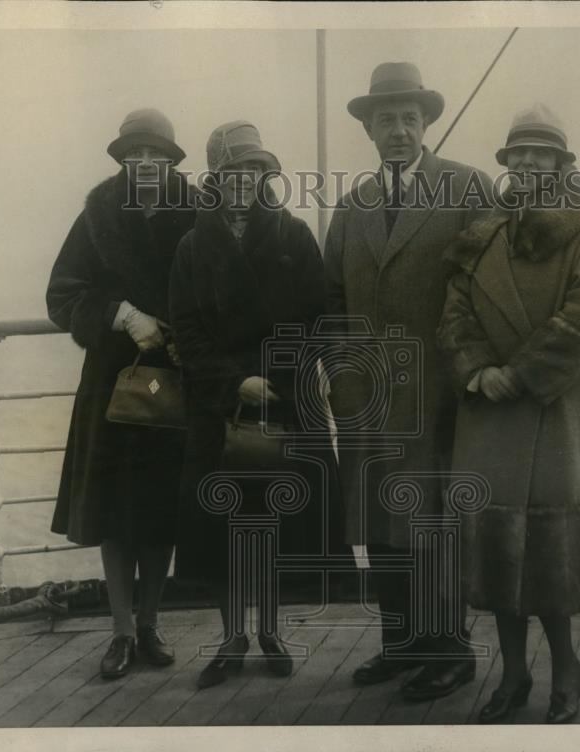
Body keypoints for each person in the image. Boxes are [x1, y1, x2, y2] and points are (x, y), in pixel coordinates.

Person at [437, 104, 580, 724]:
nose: (527, 163)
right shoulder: (485, 226)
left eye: (541, 154)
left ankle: (567, 667)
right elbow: (455, 308)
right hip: (487, 408)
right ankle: (514, 673)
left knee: (547, 548)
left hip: (550, 405)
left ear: (563, 164)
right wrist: (477, 369)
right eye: (518, 154)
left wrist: (521, 374)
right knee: (494, 548)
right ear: (507, 163)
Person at [323, 61, 493, 702]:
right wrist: (341, 372)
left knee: (431, 525)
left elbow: (491, 287)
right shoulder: (351, 205)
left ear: (426, 125)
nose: (398, 130)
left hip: (438, 395)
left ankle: (450, 653)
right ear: (368, 129)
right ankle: (400, 644)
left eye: (409, 119)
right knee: (378, 522)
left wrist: (470, 368)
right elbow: (330, 297)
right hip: (366, 397)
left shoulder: (469, 187)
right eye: (385, 119)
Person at [170, 121, 343, 689]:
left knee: (273, 522)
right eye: (232, 171)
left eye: (254, 170)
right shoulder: (193, 247)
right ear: (215, 180)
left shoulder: (294, 237)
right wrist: (232, 383)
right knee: (223, 527)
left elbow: (320, 315)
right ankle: (231, 637)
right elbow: (187, 333)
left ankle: (269, 629)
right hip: (220, 410)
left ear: (266, 176)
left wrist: (276, 375)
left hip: (286, 400)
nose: (244, 180)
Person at [46, 108, 196, 680]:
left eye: (157, 154)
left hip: (176, 381)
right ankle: (121, 632)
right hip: (111, 385)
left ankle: (152, 622)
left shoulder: (197, 211)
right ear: (122, 160)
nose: (146, 163)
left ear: (173, 160)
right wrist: (121, 314)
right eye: (135, 154)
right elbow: (61, 297)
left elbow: (216, 288)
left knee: (160, 511)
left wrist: (180, 334)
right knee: (114, 515)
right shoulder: (97, 216)